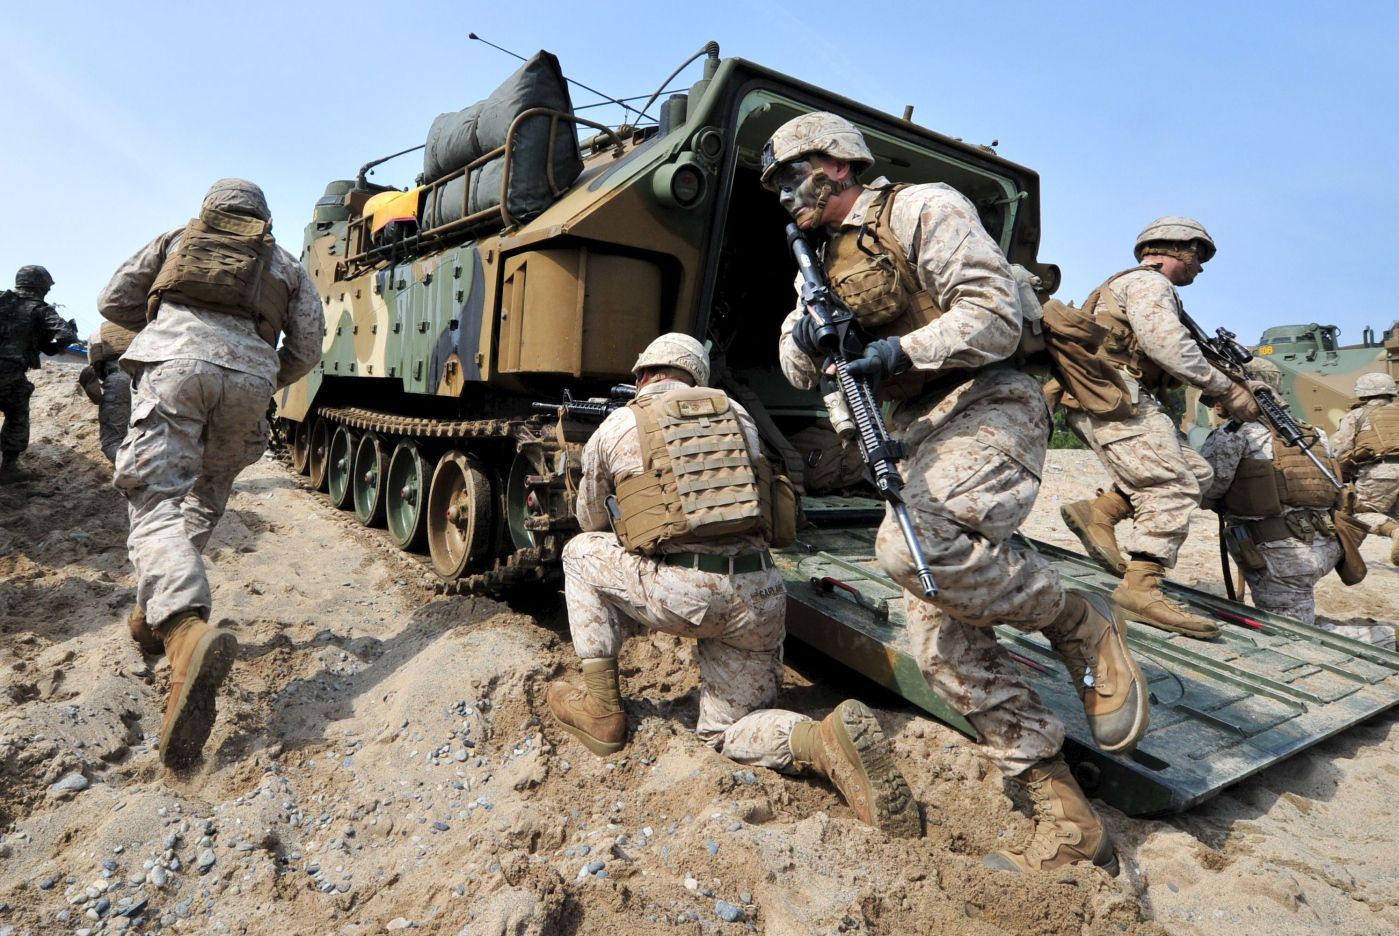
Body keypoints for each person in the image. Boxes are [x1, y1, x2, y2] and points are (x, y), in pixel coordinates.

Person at [764, 112, 1148, 873]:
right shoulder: (817, 260)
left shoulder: (920, 208)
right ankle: (1063, 813)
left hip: (988, 401)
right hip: (916, 424)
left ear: (834, 165)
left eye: (788, 174)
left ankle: (1081, 622)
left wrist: (896, 350)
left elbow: (993, 316)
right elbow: (793, 358)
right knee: (939, 643)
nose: (781, 193)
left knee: (916, 547)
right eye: (773, 181)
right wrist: (807, 345)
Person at [547, 332, 921, 838]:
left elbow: (590, 518)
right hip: (761, 594)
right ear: (697, 378)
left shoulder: (618, 425)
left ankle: (602, 710)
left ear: (643, 375)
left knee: (578, 553)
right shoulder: (741, 419)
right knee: (727, 729)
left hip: (685, 594)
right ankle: (819, 741)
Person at [97, 179, 324, 767]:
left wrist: (161, 324)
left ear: (210, 210)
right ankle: (152, 613)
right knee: (207, 493)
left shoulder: (178, 238)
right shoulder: (287, 263)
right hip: (251, 380)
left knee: (152, 500)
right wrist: (258, 377)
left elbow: (112, 300)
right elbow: (307, 348)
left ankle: (182, 626)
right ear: (264, 217)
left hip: (175, 366)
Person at [1056, 217, 1264, 639]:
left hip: (1115, 395)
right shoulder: (1150, 285)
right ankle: (1140, 588)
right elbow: (1166, 345)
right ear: (1178, 250)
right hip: (1115, 396)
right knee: (1171, 485)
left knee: (1198, 473)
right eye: (1199, 257)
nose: (1200, 268)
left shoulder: (1136, 287)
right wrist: (1228, 388)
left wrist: (1232, 385)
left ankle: (1100, 511)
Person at [1200, 362, 1389, 645]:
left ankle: (1384, 638)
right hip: (1326, 545)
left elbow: (1209, 487)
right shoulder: (1312, 432)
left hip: (1282, 556)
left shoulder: (1237, 433)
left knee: (1290, 635)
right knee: (1293, 615)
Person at [0, 265, 78, 482]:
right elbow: (66, 335)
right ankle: (9, 468)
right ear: (39, 286)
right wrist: (55, 347)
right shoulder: (40, 309)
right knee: (17, 414)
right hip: (9, 373)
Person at [1333, 372, 1399, 566]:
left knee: (1362, 514)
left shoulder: (1357, 415)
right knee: (1395, 514)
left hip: (1379, 472)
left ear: (1363, 394)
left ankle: (1394, 533)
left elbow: (1339, 449)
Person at [77, 322, 139, 463]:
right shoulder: (153, 322)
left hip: (119, 380)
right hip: (157, 381)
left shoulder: (99, 331)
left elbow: (94, 364)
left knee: (113, 442)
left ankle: (131, 471)